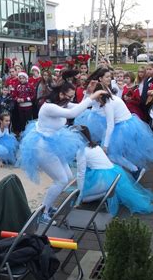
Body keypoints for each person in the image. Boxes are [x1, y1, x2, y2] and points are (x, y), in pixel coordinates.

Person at [18, 81, 106, 222]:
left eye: (72, 97)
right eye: (69, 96)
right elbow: (72, 113)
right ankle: (43, 213)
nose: (71, 99)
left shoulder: (62, 103)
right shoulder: (48, 107)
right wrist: (94, 95)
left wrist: (89, 93)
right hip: (42, 146)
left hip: (53, 142)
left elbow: (80, 107)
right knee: (61, 180)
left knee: (68, 176)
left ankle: (48, 205)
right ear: (60, 94)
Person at [75, 71, 153, 181]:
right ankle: (133, 169)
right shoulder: (105, 97)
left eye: (94, 96)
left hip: (123, 127)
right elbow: (82, 106)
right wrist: (88, 93)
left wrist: (106, 146)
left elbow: (110, 124)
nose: (93, 98)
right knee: (117, 152)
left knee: (112, 153)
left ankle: (135, 169)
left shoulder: (108, 103)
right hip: (121, 125)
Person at [76, 126, 153, 215]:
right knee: (84, 190)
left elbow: (80, 174)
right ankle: (107, 191)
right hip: (114, 173)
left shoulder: (82, 152)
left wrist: (79, 196)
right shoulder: (95, 146)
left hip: (104, 178)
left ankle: (105, 192)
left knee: (83, 198)